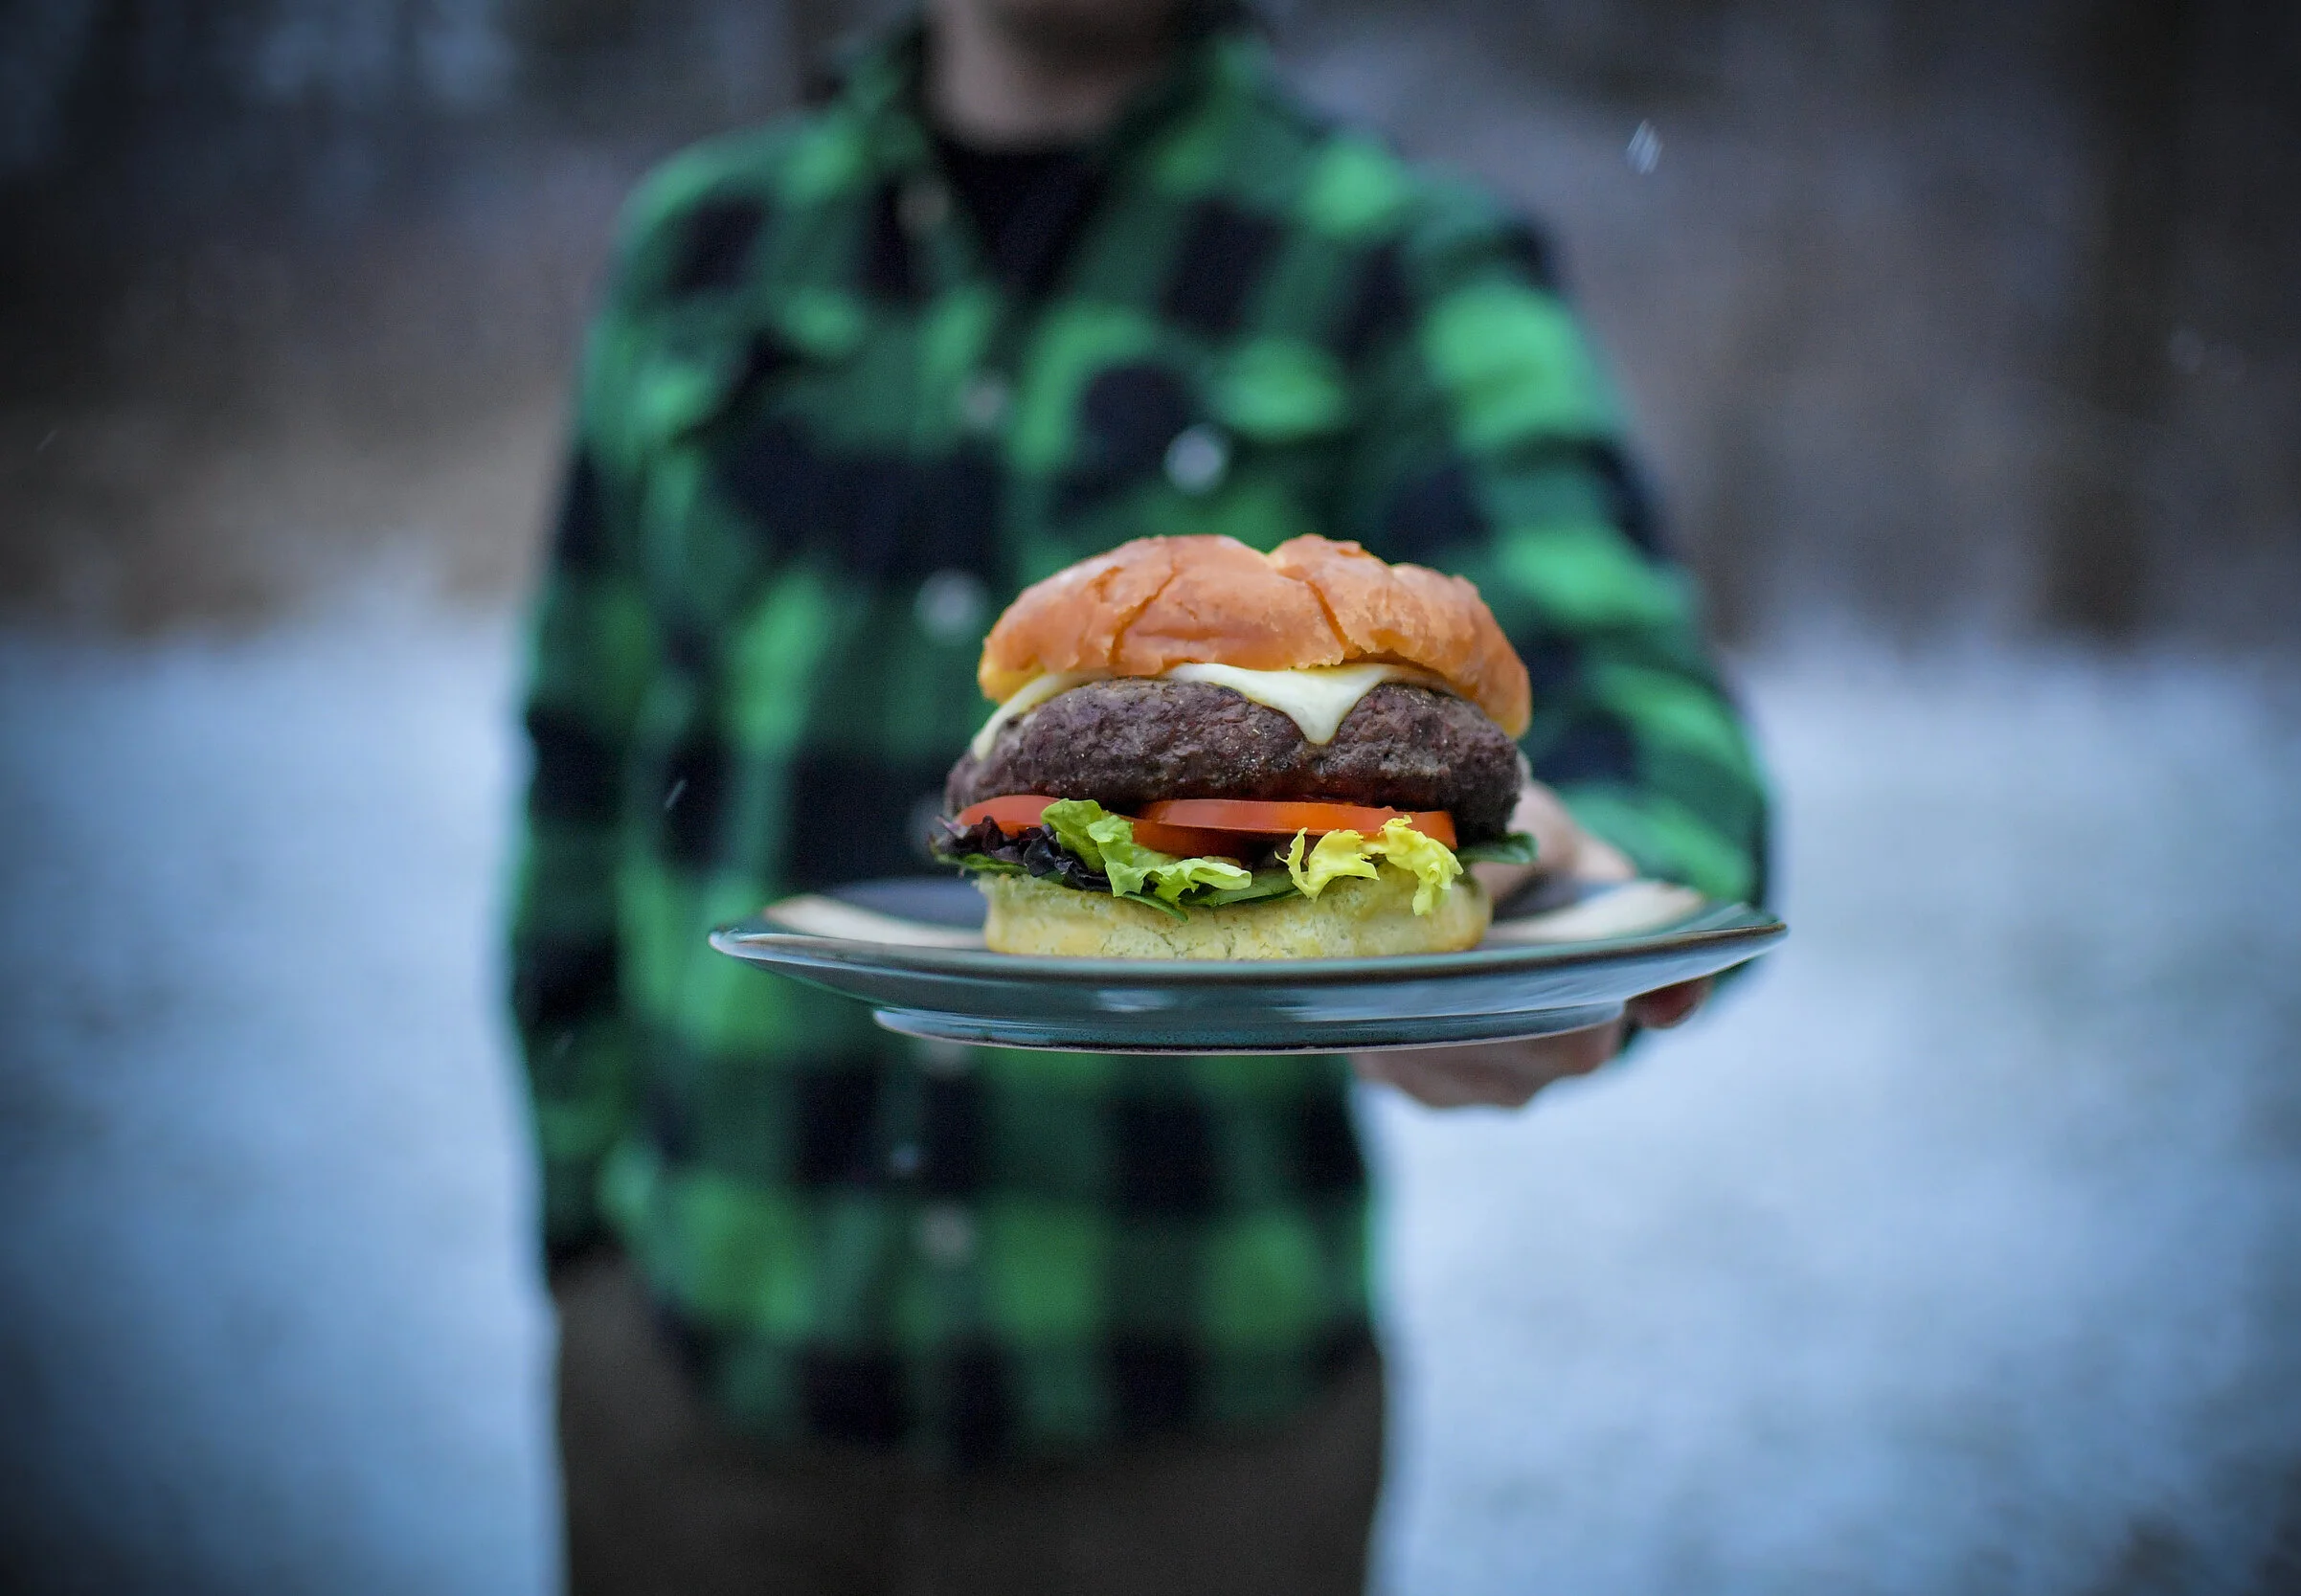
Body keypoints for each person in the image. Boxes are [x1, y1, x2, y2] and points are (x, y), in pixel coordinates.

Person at [507, 0, 1771, 1589]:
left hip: (1196, 1471)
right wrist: (585, 1250)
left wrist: (1580, 887)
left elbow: (1653, 727)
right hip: (690, 1412)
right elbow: (578, 757)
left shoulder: (1399, 258)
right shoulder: (702, 244)